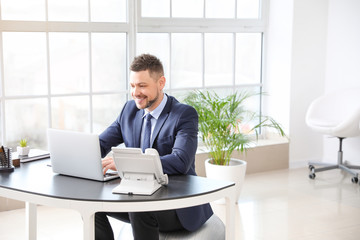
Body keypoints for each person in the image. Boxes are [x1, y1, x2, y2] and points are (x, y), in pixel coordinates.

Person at [96, 54, 213, 240]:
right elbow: (101, 144)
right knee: (94, 205)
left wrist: (126, 164)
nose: (135, 92)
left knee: (139, 206)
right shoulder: (129, 110)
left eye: (142, 86)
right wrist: (78, 155)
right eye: (133, 86)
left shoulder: (183, 115)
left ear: (161, 82)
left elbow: (181, 161)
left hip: (176, 204)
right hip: (139, 193)